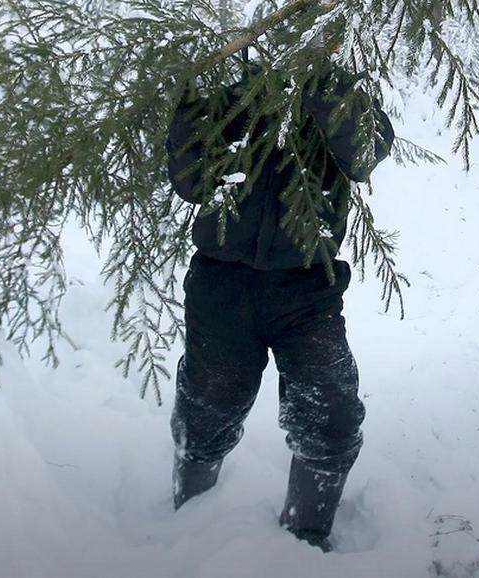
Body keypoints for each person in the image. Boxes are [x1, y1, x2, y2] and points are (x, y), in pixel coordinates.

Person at [165, 59, 394, 551]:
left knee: (330, 414)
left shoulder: (339, 85)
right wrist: (189, 98)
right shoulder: (232, 83)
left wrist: (320, 85)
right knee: (207, 409)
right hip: (221, 286)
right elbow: (189, 181)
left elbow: (367, 154)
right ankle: (189, 527)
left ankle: (305, 540)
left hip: (307, 288)